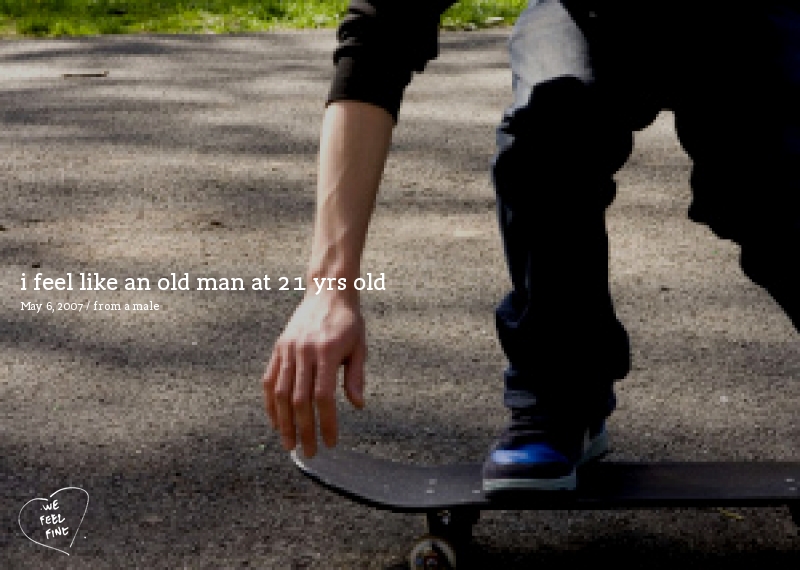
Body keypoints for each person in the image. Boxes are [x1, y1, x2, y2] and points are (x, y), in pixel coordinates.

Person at [263, 0, 799, 494]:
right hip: (590, 16)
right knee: (548, 129)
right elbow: (378, 40)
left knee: (769, 188)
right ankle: (561, 396)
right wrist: (329, 290)